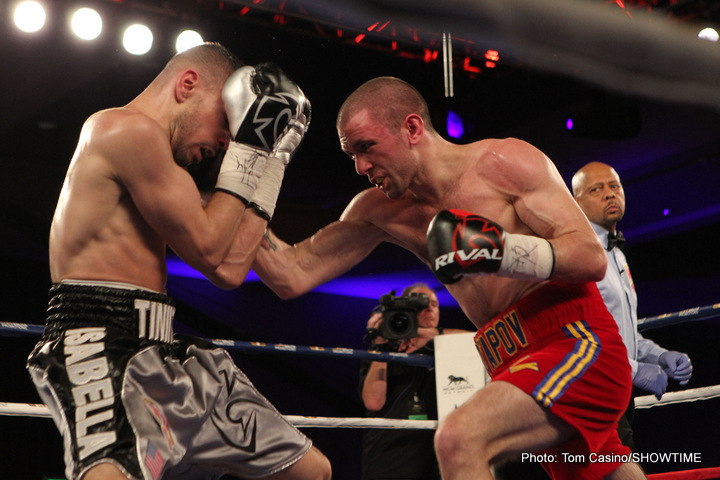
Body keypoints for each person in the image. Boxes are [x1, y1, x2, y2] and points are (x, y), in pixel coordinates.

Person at [253, 76, 645, 479]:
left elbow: (590, 257)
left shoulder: (504, 163)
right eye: (351, 154)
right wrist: (241, 178)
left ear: (411, 128)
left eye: (366, 147)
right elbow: (291, 273)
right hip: (509, 355)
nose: (361, 166)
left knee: (459, 438)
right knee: (606, 472)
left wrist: (501, 251)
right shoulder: (380, 210)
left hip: (576, 339)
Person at [26, 43, 331, 480]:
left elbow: (229, 269)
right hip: (97, 343)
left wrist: (272, 159)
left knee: (309, 471)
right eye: (228, 124)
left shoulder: (172, 172)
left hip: (163, 348)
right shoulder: (121, 130)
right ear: (187, 85)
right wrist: (251, 146)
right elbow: (209, 248)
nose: (226, 142)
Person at [571, 161, 693, 450]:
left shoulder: (618, 256)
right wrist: (635, 370)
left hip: (619, 395)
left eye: (615, 186)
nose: (610, 194)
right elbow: (576, 337)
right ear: (575, 203)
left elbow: (624, 333)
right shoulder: (578, 257)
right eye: (596, 189)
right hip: (592, 394)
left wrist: (659, 356)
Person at [360, 283, 469, 480]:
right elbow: (373, 402)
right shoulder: (383, 348)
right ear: (404, 308)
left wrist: (434, 335)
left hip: (435, 463)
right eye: (421, 304)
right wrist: (381, 345)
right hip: (390, 461)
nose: (429, 309)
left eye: (434, 304)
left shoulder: (448, 344)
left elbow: (480, 339)